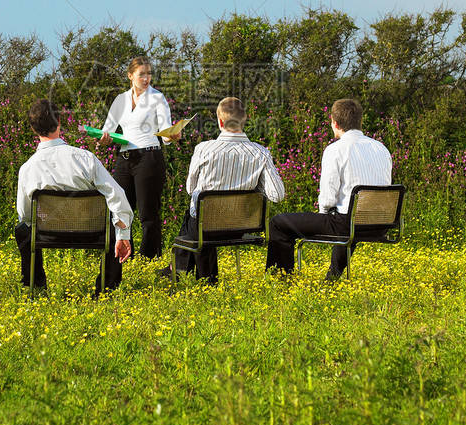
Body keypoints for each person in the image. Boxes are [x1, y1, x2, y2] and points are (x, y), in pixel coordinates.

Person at [266, 97, 392, 281]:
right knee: (346, 215)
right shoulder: (381, 148)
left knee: (279, 222)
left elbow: (327, 199)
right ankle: (332, 278)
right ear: (360, 121)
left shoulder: (335, 150)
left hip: (347, 224)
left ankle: (280, 279)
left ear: (335, 123)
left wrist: (324, 214)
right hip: (380, 224)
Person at [16, 99, 133, 296]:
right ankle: (106, 289)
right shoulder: (85, 158)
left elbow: (25, 215)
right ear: (59, 121)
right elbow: (117, 195)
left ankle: (35, 286)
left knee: (22, 229)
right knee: (117, 225)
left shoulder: (28, 168)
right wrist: (123, 236)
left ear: (32, 128)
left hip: (48, 233)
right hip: (92, 231)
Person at [163, 96, 285, 283]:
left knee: (193, 217)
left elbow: (190, 189)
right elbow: (277, 195)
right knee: (195, 219)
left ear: (220, 121)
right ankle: (184, 271)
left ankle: (183, 272)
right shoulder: (261, 153)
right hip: (242, 226)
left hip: (207, 226)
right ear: (244, 120)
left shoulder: (204, 149)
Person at [99, 56, 177, 261]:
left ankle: (149, 259)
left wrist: (171, 136)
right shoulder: (120, 100)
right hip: (124, 159)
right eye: (142, 74)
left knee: (148, 213)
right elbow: (107, 130)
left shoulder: (157, 98)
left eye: (149, 74)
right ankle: (122, 256)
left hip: (149, 157)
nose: (146, 78)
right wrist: (103, 139)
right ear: (130, 76)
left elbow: (166, 132)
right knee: (120, 210)